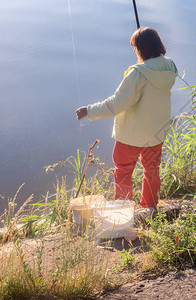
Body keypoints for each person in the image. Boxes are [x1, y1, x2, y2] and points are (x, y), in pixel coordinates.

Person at [75, 27, 177, 222]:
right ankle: (150, 208)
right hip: (156, 133)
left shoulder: (137, 74)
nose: (133, 51)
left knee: (122, 171)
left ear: (142, 49)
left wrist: (89, 111)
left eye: (135, 47)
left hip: (131, 134)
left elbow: (117, 103)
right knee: (152, 169)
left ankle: (123, 213)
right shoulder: (169, 67)